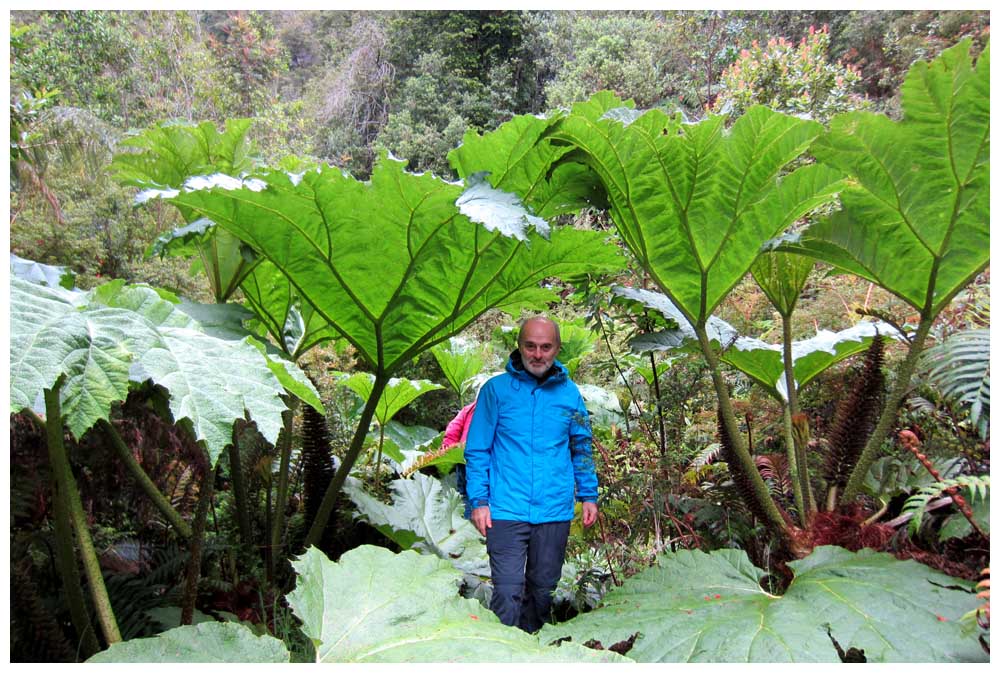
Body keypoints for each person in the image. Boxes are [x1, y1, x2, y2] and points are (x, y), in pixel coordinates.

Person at [464, 315, 599, 632]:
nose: (538, 354)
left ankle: (530, 650)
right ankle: (502, 656)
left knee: (541, 591)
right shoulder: (495, 391)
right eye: (531, 346)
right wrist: (478, 501)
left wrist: (589, 495)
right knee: (508, 591)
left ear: (557, 349)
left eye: (546, 347)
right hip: (505, 507)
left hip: (554, 509)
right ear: (519, 347)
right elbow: (477, 449)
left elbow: (581, 447)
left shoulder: (570, 395)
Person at [442, 397, 477, 519]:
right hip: (481, 460)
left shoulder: (467, 409)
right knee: (481, 497)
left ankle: (464, 527)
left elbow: (452, 430)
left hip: (462, 457)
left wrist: (449, 452)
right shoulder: (497, 410)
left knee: (463, 495)